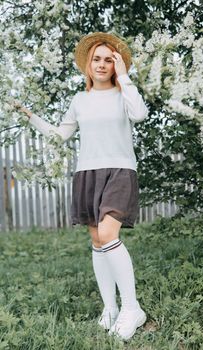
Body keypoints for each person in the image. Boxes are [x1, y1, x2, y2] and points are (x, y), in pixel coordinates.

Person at [14, 32, 148, 341]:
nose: (102, 64)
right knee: (97, 242)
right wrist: (31, 117)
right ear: (88, 64)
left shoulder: (124, 93)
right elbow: (58, 136)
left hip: (119, 171)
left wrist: (125, 77)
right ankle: (110, 308)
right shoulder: (79, 100)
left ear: (116, 64)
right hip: (87, 173)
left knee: (108, 234)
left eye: (109, 59)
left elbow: (140, 115)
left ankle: (132, 309)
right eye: (97, 59)